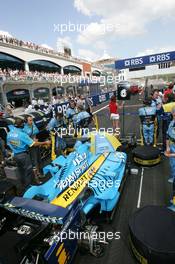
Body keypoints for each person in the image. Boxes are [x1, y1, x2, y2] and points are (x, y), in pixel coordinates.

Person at [7, 118, 50, 190]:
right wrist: (45, 142)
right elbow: (33, 144)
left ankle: (24, 186)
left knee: (21, 172)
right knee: (29, 172)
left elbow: (9, 144)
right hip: (23, 155)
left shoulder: (9, 134)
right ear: (22, 125)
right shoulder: (22, 134)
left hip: (15, 155)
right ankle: (31, 187)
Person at [165, 107, 175, 206]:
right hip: (172, 146)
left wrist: (171, 154)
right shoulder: (171, 123)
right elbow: (168, 136)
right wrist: (168, 147)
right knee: (172, 164)